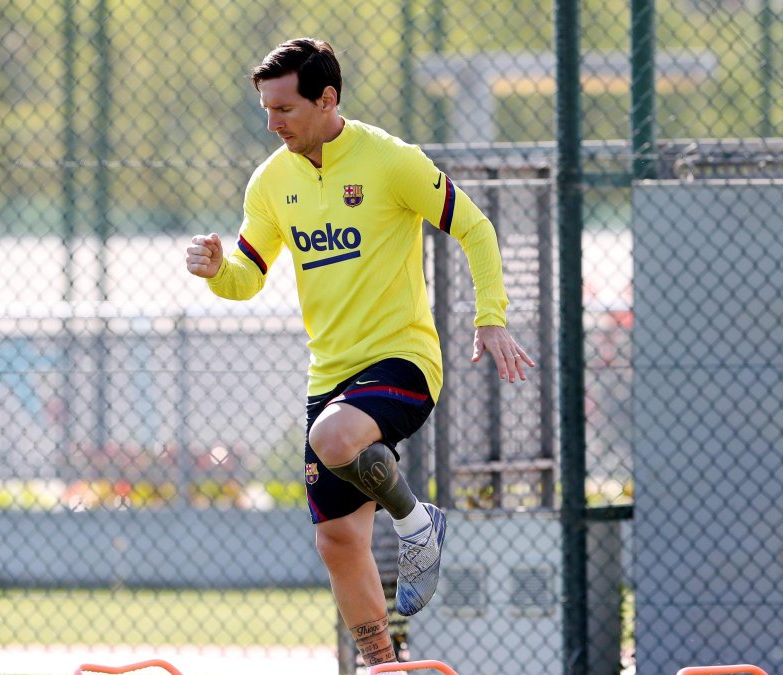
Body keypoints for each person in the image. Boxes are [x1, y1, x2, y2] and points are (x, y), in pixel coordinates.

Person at [184, 37, 535, 667]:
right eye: (265, 109)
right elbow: (247, 278)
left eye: (284, 109)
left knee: (335, 435)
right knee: (338, 539)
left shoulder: (390, 161)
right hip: (331, 375)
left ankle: (415, 523)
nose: (272, 124)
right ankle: (384, 666)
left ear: (327, 99)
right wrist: (215, 269)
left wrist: (492, 319)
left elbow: (475, 227)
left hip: (403, 362)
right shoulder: (270, 182)